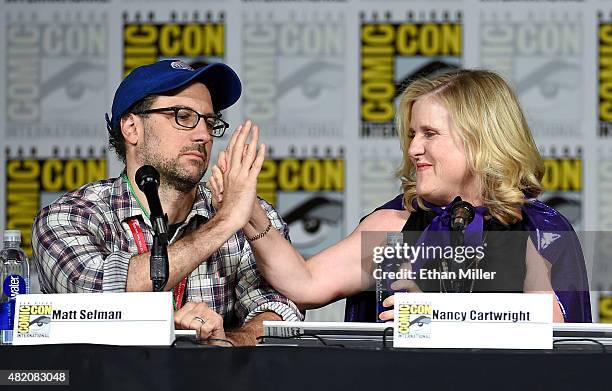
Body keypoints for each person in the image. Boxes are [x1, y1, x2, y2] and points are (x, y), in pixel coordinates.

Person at [207, 69, 591, 323]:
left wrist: (448, 316)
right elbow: (304, 284)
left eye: (430, 134)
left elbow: (562, 341)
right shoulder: (393, 224)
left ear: (480, 140)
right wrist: (249, 211)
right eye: (411, 135)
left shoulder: (542, 230)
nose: (413, 150)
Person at [32, 60, 302, 345]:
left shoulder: (248, 217)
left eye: (210, 122)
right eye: (183, 116)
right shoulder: (68, 217)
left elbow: (280, 308)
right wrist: (223, 224)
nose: (203, 135)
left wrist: (230, 342)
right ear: (132, 128)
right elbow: (94, 295)